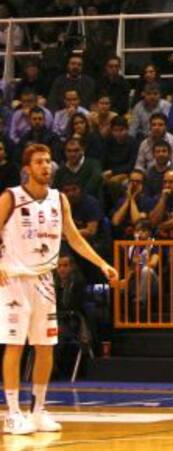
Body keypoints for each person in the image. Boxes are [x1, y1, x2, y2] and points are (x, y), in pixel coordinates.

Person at [0, 144, 117, 434]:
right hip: (14, 279)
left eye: (49, 161)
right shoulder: (11, 197)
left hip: (44, 279)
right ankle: (12, 413)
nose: (46, 166)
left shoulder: (59, 199)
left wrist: (103, 264)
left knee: (45, 345)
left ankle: (38, 410)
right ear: (27, 168)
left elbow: (75, 238)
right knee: (15, 345)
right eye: (40, 161)